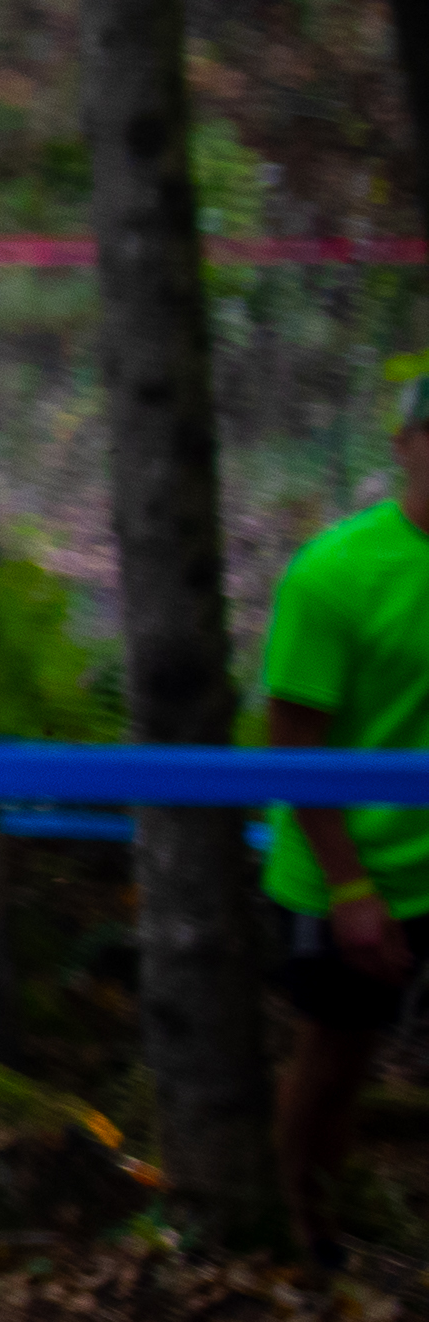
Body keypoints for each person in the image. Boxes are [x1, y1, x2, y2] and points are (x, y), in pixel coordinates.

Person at [249, 350, 429, 1259]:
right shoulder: (334, 574)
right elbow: (295, 743)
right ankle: (307, 1237)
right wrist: (352, 889)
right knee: (335, 1059)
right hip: (348, 873)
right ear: (407, 445)